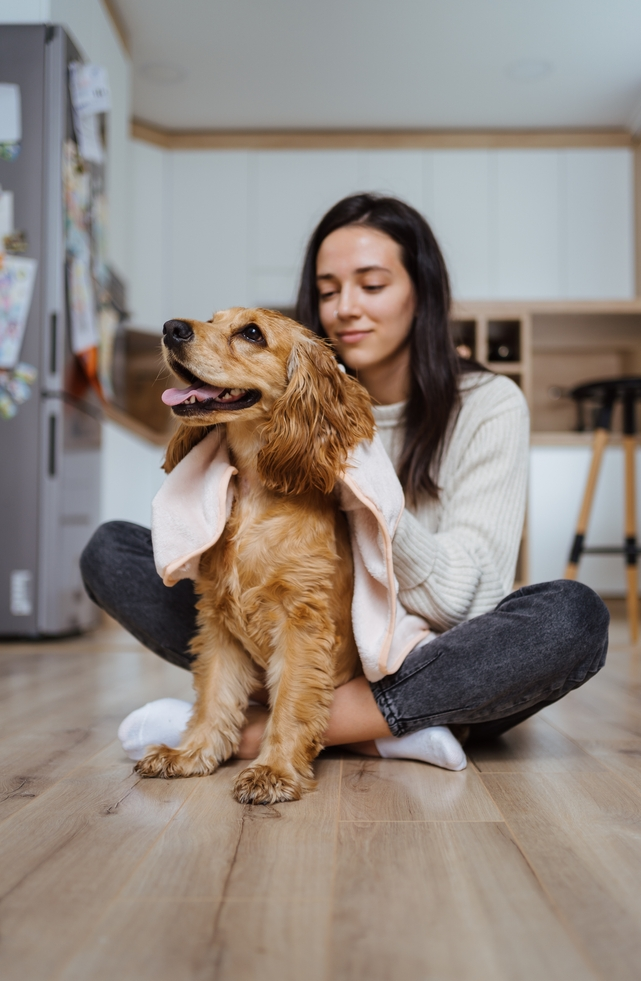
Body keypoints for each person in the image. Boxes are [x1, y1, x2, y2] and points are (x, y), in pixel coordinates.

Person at [81, 194, 609, 772]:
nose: (346, 308)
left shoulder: (489, 405)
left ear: (422, 294)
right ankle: (384, 728)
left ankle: (265, 732)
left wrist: (358, 494)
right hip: (279, 642)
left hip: (427, 655)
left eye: (372, 285)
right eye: (328, 291)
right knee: (112, 550)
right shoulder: (280, 385)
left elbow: (473, 601)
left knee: (569, 617)